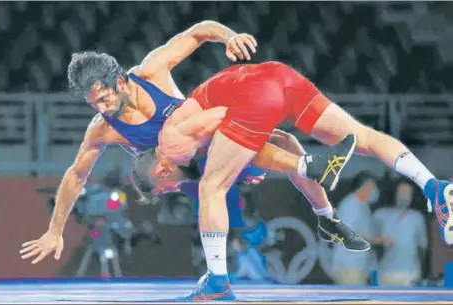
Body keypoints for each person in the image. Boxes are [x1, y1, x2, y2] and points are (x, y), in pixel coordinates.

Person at [142, 60, 452, 300]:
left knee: (212, 188)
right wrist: (251, 156)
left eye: (164, 187)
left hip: (251, 94)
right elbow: (275, 137)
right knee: (366, 139)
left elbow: (227, 117)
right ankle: (431, 186)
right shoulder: (194, 131)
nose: (173, 187)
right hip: (281, 77)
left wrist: (262, 155)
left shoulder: (170, 141)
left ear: (158, 169)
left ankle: (217, 283)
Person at [19, 20, 262, 265]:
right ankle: (223, 255)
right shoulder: (102, 129)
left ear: (121, 84)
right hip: (179, 174)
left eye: (104, 99)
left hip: (214, 144)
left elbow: (199, 31)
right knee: (198, 187)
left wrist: (229, 38)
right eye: (94, 105)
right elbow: (76, 175)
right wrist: (55, 230)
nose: (102, 109)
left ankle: (250, 215)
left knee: (277, 155)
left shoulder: (151, 72)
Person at [331, 172, 392, 285]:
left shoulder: (363, 206)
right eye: (373, 187)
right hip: (349, 265)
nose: (375, 191)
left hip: (358, 265)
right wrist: (380, 240)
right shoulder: (351, 205)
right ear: (364, 187)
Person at [373, 178, 428, 286]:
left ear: (412, 196)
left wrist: (420, 270)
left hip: (410, 274)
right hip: (385, 273)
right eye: (401, 192)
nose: (404, 196)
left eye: (408, 193)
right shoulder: (380, 215)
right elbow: (367, 240)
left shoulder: (417, 218)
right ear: (395, 193)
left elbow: (423, 248)